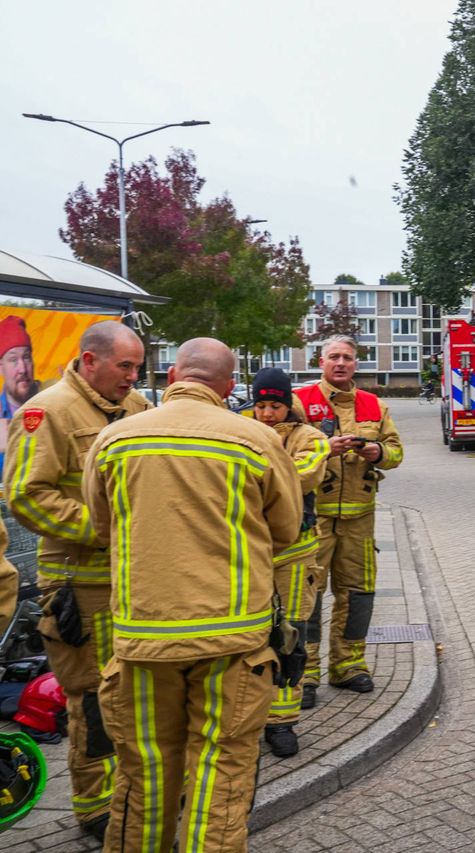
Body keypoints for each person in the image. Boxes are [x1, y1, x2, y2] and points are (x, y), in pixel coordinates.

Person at [82, 338, 302, 853]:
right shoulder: (256, 440)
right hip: (233, 643)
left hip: (141, 642)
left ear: (172, 373)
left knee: (143, 777)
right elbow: (286, 530)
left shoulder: (114, 439)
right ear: (228, 387)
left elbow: (100, 527)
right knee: (220, 776)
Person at [2, 320, 149, 840]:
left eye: (138, 366)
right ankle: (95, 805)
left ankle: (134, 791)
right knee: (91, 699)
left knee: (133, 694)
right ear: (90, 361)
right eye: (124, 366)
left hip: (133, 582)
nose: (134, 377)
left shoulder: (135, 410)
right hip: (78, 590)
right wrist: (105, 530)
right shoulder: (49, 413)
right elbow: (26, 494)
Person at [295, 336, 402, 705]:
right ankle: (305, 673)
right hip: (314, 519)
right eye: (334, 357)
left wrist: (377, 452)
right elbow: (281, 449)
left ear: (357, 364)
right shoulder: (300, 402)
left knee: (357, 595)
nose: (341, 363)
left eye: (348, 358)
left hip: (360, 518)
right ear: (320, 361)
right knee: (308, 595)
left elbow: (396, 451)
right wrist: (324, 449)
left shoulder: (374, 404)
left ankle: (349, 666)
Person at [245, 367, 329, 758]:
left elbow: (302, 476)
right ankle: (251, 714)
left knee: (289, 634)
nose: (265, 413)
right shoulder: (239, 427)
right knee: (250, 636)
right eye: (260, 405)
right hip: (250, 551)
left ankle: (282, 721)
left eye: (274, 405)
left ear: (287, 404)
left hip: (294, 555)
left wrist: (248, 478)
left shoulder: (309, 437)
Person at [0, 316, 41, 468]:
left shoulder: (54, 404)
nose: (22, 369)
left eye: (26, 357)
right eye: (13, 360)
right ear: (0, 367)